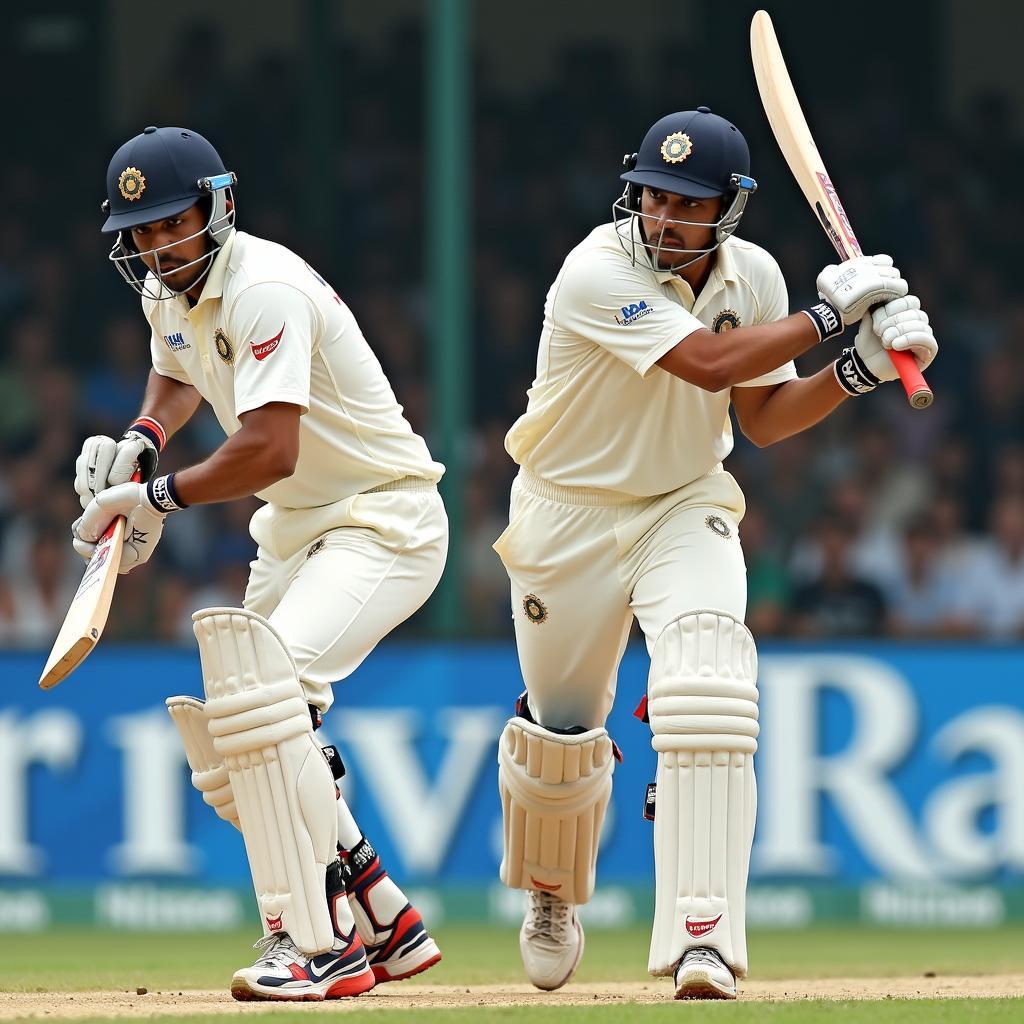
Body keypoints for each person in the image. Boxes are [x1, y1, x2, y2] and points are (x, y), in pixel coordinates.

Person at [492, 108, 937, 1000]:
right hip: (564, 514)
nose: (662, 216)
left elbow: (765, 418)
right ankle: (550, 891)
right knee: (561, 736)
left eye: (686, 203)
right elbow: (704, 363)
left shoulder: (755, 276)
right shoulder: (596, 269)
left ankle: (703, 935)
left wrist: (858, 370)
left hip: (682, 501)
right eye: (653, 194)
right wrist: (832, 311)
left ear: (729, 207)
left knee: (707, 683)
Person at [72, 126, 448, 1000]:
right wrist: (141, 441)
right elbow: (178, 373)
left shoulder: (264, 287)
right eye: (141, 232)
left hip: (380, 517)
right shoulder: (170, 291)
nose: (158, 246)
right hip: (293, 528)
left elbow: (272, 446)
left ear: (218, 206)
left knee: (264, 706)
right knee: (236, 734)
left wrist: (158, 497)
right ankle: (384, 916)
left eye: (174, 223)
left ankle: (318, 946)